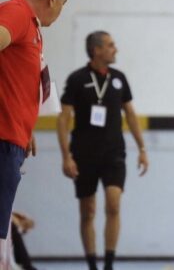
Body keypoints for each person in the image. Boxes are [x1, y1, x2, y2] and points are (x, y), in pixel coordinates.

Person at [57, 31, 149, 270]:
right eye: (110, 45)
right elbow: (63, 118)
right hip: (83, 154)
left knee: (113, 203)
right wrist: (66, 156)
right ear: (96, 50)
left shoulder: (119, 78)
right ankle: (92, 264)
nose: (115, 49)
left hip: (113, 153)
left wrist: (142, 148)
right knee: (88, 211)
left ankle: (108, 263)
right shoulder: (77, 79)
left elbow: (130, 114)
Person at [0, 0, 68, 254]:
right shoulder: (17, 12)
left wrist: (27, 127)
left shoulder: (33, 27)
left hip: (14, 137)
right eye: (64, 3)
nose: (62, 11)